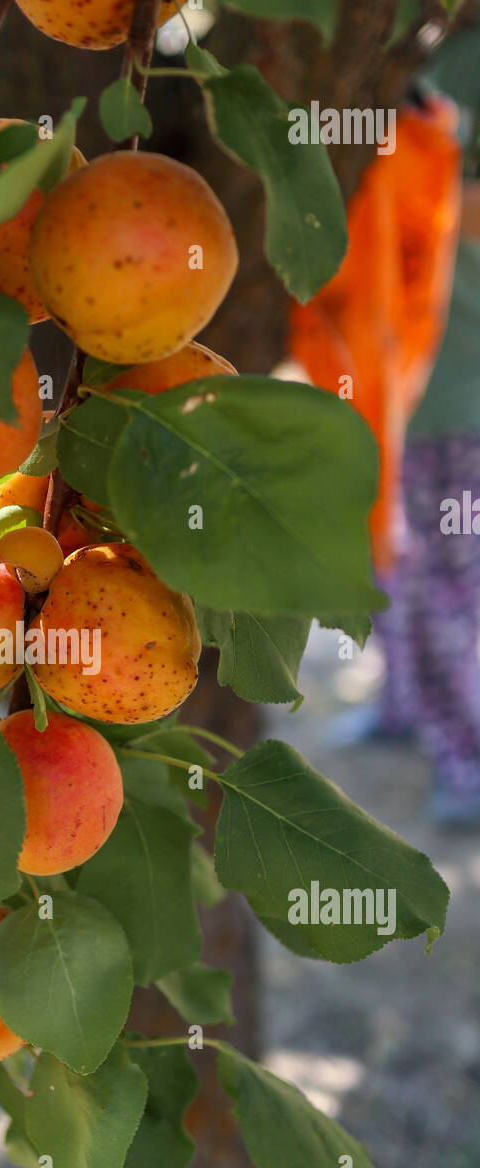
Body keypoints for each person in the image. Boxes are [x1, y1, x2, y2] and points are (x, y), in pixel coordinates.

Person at [291, 21, 480, 828]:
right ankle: (403, 703)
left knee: (449, 582)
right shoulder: (375, 34)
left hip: (453, 383)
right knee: (388, 556)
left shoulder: (468, 52)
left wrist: (418, 175)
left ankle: (466, 757)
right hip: (368, 378)